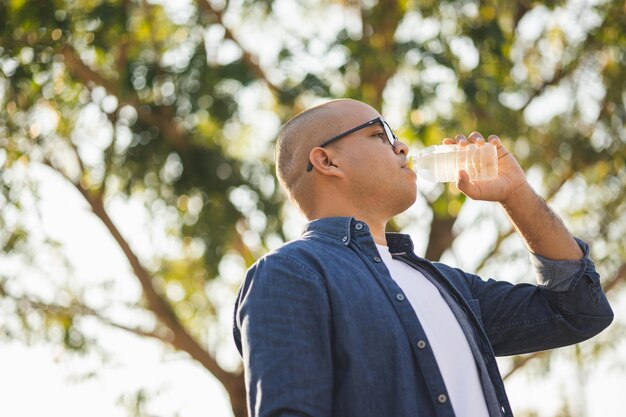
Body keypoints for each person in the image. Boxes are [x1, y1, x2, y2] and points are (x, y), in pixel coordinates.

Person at [232, 99, 613, 417]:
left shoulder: (448, 286)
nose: (402, 148)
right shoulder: (289, 273)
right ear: (328, 162)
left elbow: (579, 312)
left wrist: (515, 193)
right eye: (379, 134)